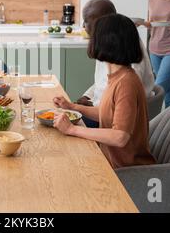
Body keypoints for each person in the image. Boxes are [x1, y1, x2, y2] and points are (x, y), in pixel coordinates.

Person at [53, 14, 156, 169]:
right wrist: (73, 107)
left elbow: (120, 136)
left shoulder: (126, 83)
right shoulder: (118, 76)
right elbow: (108, 112)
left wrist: (72, 129)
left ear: (107, 43)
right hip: (110, 161)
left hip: (125, 171)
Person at [76, 0, 155, 128]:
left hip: (118, 116)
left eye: (87, 20)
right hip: (103, 110)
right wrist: (87, 97)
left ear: (103, 22)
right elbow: (102, 82)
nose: (83, 25)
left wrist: (91, 107)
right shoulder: (108, 43)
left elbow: (123, 93)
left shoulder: (125, 53)